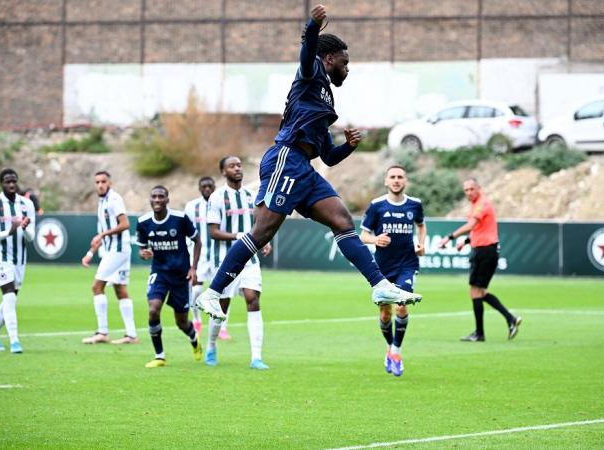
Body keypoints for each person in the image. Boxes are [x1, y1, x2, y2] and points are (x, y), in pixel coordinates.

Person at [196, 4, 421, 320]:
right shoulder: (311, 72)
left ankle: (379, 284)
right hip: (285, 160)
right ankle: (212, 293)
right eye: (345, 62)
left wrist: (349, 147)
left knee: (342, 220)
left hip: (304, 167)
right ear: (329, 59)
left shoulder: (324, 98)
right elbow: (306, 53)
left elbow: (328, 155)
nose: (348, 68)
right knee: (262, 232)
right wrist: (312, 27)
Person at [204, 156, 272, 369]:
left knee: (253, 299)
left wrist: (263, 242)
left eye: (239, 165)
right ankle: (211, 346)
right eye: (232, 166)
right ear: (223, 172)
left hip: (249, 260)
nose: (237, 169)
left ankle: (256, 357)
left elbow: (259, 225)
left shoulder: (252, 196)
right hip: (224, 261)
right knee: (221, 307)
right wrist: (239, 236)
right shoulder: (216, 198)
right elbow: (213, 232)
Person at [360, 166, 426, 377]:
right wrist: (376, 239)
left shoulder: (415, 204)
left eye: (400, 177)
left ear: (405, 181)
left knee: (402, 307)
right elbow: (363, 235)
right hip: (383, 268)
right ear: (386, 181)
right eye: (392, 177)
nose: (396, 180)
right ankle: (390, 348)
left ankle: (396, 351)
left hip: (407, 264)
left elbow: (421, 226)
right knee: (385, 312)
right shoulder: (377, 206)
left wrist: (421, 244)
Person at [439, 178, 522, 342]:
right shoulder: (478, 205)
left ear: (479, 188)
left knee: (475, 292)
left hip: (485, 252)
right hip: (485, 251)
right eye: (466, 190)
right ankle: (509, 319)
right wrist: (466, 242)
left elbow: (471, 225)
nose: (469, 192)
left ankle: (480, 333)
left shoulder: (482, 204)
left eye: (472, 189)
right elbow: (481, 229)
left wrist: (449, 238)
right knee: (480, 292)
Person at [136, 186, 203, 368]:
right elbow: (142, 249)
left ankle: (193, 337)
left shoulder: (180, 219)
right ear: (150, 200)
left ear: (167, 200)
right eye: (154, 196)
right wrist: (144, 254)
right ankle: (159, 356)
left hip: (181, 276)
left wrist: (193, 268)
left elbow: (197, 240)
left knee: (181, 322)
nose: (157, 199)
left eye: (161, 196)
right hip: (159, 273)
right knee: (153, 309)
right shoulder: (143, 222)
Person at [81, 171, 139, 345]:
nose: (100, 185)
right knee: (120, 289)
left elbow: (125, 224)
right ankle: (132, 335)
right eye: (97, 182)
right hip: (113, 250)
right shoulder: (102, 202)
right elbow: (102, 234)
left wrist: (104, 234)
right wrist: (91, 253)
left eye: (103, 181)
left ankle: (102, 332)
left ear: (110, 183)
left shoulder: (114, 200)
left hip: (118, 250)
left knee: (97, 286)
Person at [0, 168, 36, 354]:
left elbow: (31, 237)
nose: (11, 184)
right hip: (0, 256)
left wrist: (26, 228)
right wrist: (8, 232)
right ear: (1, 184)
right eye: (7, 181)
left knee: (10, 299)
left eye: (14, 181)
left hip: (20, 258)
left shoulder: (27, 204)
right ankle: (14, 341)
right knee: (9, 296)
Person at [184, 176, 232, 339]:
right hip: (200, 256)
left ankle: (223, 327)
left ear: (214, 186)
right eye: (203, 186)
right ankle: (196, 320)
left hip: (220, 255)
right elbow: (187, 231)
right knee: (196, 290)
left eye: (210, 185)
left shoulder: (222, 203)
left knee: (223, 292)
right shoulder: (192, 206)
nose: (207, 188)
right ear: (199, 188)